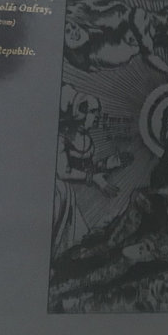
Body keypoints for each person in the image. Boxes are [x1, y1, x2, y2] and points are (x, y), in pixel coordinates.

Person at [50, 87, 129, 257]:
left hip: (74, 196)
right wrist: (92, 178)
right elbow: (63, 172)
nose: (97, 117)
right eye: (93, 112)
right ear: (81, 112)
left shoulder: (87, 139)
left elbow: (88, 167)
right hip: (58, 193)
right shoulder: (62, 137)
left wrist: (109, 163)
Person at [62, 0, 168, 85]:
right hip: (99, 22)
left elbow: (149, 53)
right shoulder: (144, 22)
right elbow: (139, 24)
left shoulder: (148, 39)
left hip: (99, 50)